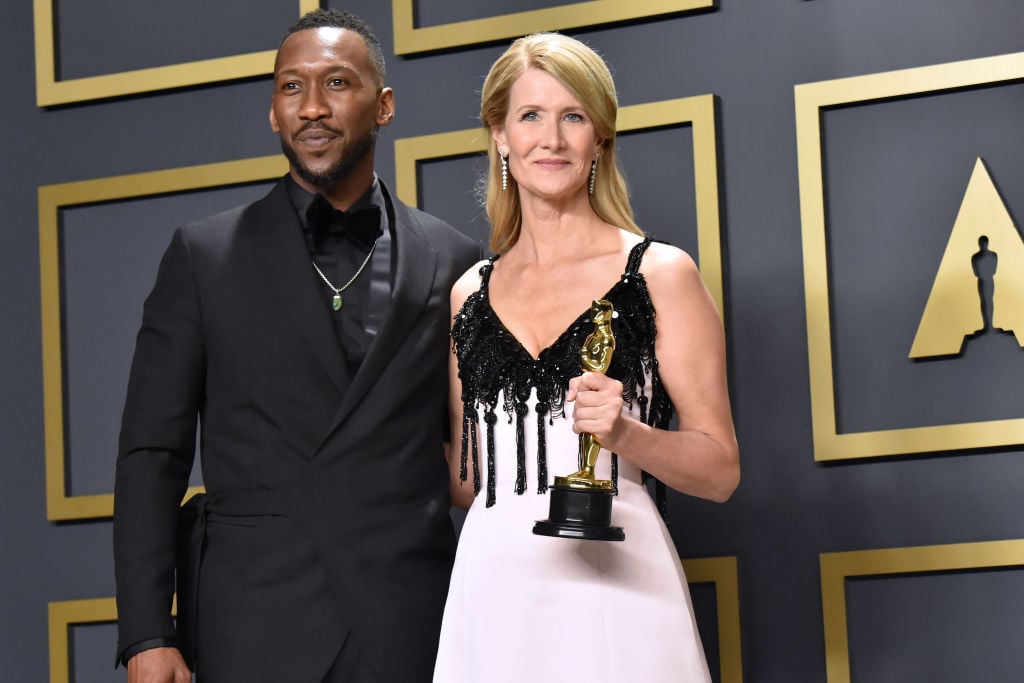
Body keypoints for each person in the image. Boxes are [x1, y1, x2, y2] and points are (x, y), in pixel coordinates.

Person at [113, 8, 479, 683]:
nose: (312, 106)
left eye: (338, 83)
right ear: (273, 113)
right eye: (291, 88)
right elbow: (150, 455)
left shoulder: (455, 260)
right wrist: (144, 632)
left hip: (411, 621)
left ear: (385, 106)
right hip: (253, 620)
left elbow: (470, 456)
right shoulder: (202, 256)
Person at [434, 33, 740, 682]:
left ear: (599, 137)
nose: (551, 138)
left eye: (573, 116)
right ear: (500, 136)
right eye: (531, 116)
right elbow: (469, 481)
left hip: (616, 583)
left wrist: (626, 432)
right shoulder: (469, 294)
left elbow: (720, 470)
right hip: (493, 589)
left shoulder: (659, 273)